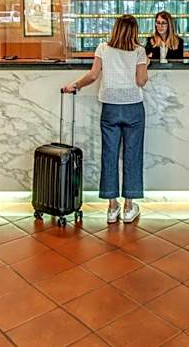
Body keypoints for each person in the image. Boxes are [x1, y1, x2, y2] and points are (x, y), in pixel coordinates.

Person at [62, 15, 148, 224]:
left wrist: (75, 85)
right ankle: (128, 207)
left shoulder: (102, 48)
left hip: (110, 108)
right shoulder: (139, 51)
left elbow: (93, 75)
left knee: (109, 155)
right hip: (133, 108)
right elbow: (141, 81)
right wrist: (147, 65)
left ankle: (111, 207)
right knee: (132, 156)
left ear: (115, 29)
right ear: (134, 31)